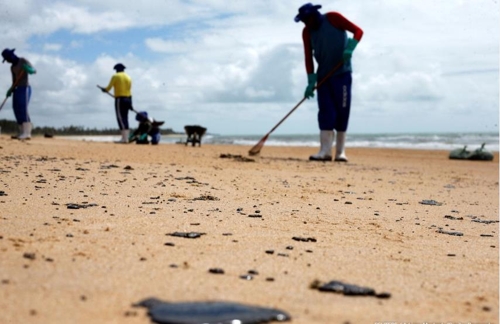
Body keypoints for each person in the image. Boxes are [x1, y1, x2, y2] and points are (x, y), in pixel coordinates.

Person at [295, 3, 363, 161]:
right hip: (323, 77)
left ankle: (340, 152)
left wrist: (350, 48)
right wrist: (311, 80)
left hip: (342, 73)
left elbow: (358, 31)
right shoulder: (307, 32)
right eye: (303, 21)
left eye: (306, 19)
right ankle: (324, 151)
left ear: (314, 15)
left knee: (342, 112)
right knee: (326, 113)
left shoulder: (333, 18)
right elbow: (308, 56)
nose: (305, 23)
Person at [2, 48, 36, 140]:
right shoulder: (12, 67)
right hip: (17, 88)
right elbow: (14, 81)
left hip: (25, 87)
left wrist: (28, 69)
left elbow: (33, 71)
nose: (8, 61)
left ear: (12, 55)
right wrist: (11, 89)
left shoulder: (23, 60)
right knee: (16, 108)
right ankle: (22, 132)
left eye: (8, 58)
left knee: (22, 108)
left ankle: (27, 133)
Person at [99, 63, 133, 143]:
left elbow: (108, 88)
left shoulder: (115, 76)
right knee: (125, 118)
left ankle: (124, 139)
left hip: (120, 99)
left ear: (117, 70)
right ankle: (126, 138)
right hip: (128, 99)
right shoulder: (128, 77)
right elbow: (129, 90)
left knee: (120, 118)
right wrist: (131, 103)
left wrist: (104, 90)